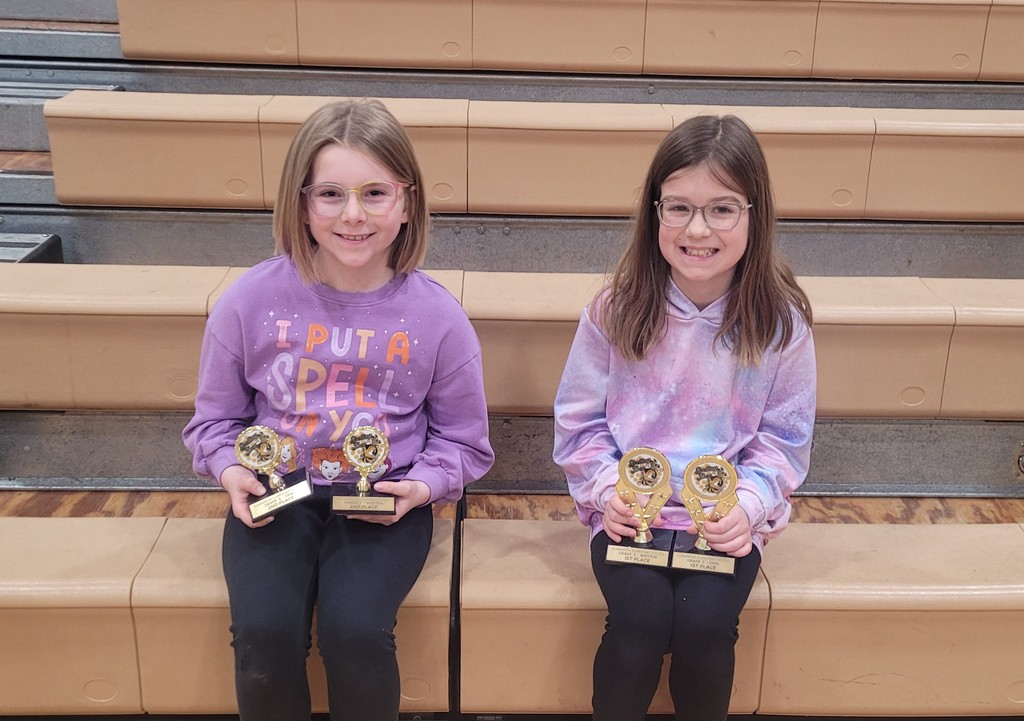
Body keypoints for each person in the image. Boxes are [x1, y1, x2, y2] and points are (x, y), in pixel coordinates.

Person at [182, 98, 494, 721]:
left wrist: (423, 488)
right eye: (331, 194)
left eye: (375, 192)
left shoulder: (438, 317)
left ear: (407, 202)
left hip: (383, 503)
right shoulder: (249, 300)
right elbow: (213, 424)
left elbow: (465, 443)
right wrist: (228, 469)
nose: (354, 215)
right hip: (280, 497)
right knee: (264, 637)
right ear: (302, 203)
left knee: (355, 634)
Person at [552, 114, 816, 721]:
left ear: (755, 215)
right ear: (655, 213)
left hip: (722, 521)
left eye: (722, 209)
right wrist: (608, 488)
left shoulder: (781, 326)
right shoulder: (614, 311)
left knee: (703, 623)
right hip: (627, 513)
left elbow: (782, 441)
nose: (698, 229)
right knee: (639, 619)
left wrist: (745, 508)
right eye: (678, 208)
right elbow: (579, 423)